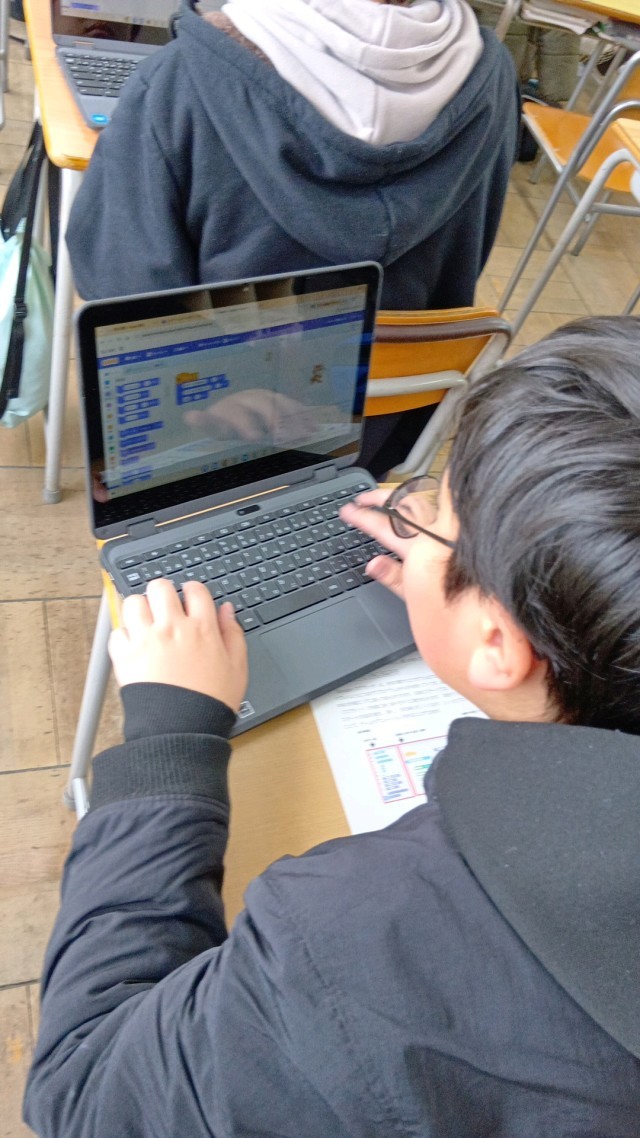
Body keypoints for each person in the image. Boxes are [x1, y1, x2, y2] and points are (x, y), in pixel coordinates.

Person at [24, 315, 640, 1135]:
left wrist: (171, 739)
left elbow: (86, 1090)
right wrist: (474, 580)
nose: (411, 516)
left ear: (501, 644)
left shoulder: (357, 943)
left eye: (434, 517)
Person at [66, 0, 520, 475]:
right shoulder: (492, 79)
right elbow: (470, 254)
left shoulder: (178, 82)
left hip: (208, 446)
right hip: (377, 444)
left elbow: (118, 292)